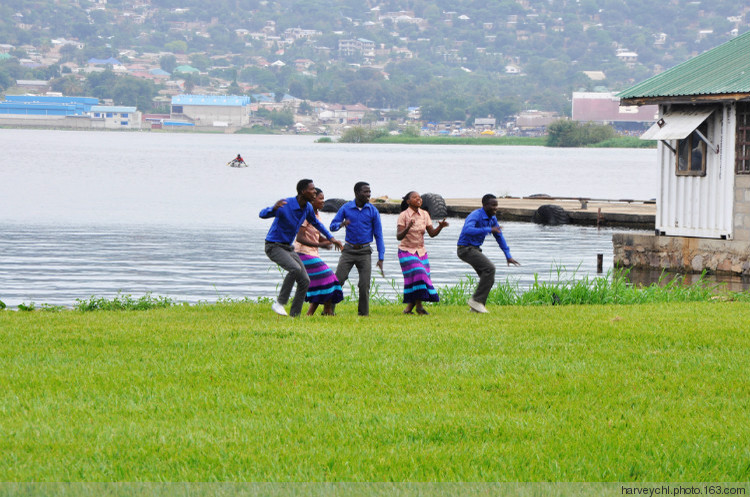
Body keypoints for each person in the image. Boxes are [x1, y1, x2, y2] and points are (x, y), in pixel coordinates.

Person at [260, 179, 343, 317]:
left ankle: (295, 315)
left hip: (288, 247)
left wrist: (331, 238)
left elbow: (317, 224)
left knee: (305, 280)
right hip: (273, 246)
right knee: (295, 269)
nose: (315, 192)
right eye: (312, 190)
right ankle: (280, 303)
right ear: (303, 191)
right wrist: (273, 209)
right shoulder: (286, 204)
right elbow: (262, 214)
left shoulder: (308, 208)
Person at [457, 193, 520, 314]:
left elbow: (499, 237)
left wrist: (508, 256)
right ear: (485, 205)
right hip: (465, 249)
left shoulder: (492, 218)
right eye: (493, 205)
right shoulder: (475, 215)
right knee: (490, 269)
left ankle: (476, 308)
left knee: (488, 278)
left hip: (474, 249)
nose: (495, 208)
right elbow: (467, 230)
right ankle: (476, 301)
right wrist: (488, 229)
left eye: (496, 205)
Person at [329, 181, 385, 317]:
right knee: (338, 280)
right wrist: (342, 224)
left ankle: (363, 314)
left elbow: (378, 235)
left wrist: (381, 257)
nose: (368, 194)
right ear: (356, 193)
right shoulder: (346, 208)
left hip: (365, 252)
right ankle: (329, 310)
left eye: (369, 192)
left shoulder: (372, 210)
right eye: (365, 192)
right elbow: (332, 226)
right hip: (348, 251)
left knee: (364, 284)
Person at [396, 191, 449, 315]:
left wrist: (440, 227)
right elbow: (398, 236)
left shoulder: (425, 214)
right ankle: (419, 307)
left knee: (418, 279)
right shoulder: (403, 215)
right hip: (406, 251)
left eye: (419, 197)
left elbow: (431, 234)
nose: (418, 199)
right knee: (420, 273)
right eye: (415, 198)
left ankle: (408, 309)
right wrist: (408, 227)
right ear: (408, 201)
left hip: (421, 252)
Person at [294, 188, 344, 316]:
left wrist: (331, 241)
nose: (323, 201)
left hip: (312, 253)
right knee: (328, 278)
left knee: (325, 281)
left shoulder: (316, 215)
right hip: (302, 254)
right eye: (320, 198)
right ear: (312, 200)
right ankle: (319, 312)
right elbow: (300, 237)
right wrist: (320, 244)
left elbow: (316, 236)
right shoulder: (305, 214)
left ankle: (325, 311)